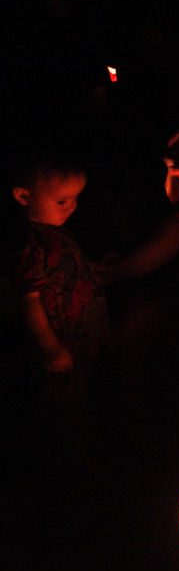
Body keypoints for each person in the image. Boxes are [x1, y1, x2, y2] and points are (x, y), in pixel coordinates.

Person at [9, 149, 109, 431]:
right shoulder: (30, 246)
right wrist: (50, 347)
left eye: (76, 197)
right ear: (23, 197)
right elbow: (29, 300)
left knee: (85, 394)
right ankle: (71, 453)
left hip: (81, 338)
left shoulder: (57, 230)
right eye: (62, 200)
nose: (72, 207)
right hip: (61, 342)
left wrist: (96, 268)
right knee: (65, 404)